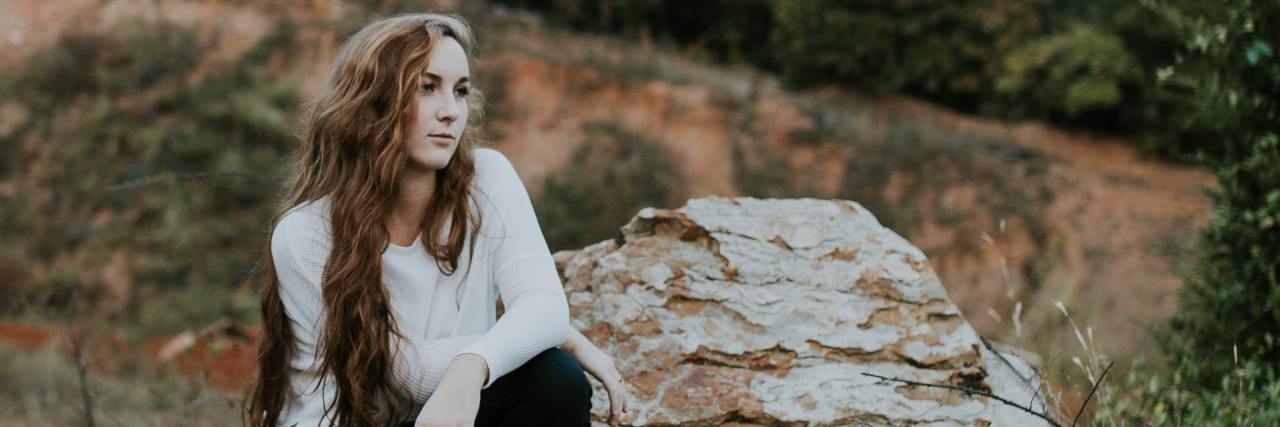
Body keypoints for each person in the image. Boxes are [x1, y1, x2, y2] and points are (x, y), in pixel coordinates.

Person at [244, 13, 628, 427]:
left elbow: (545, 306)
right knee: (546, 363)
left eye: (460, 91)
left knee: (555, 381)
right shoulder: (307, 234)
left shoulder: (487, 179)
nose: (451, 112)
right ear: (372, 102)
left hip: (441, 415)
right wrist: (553, 336)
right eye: (427, 88)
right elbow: (414, 373)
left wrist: (479, 362)